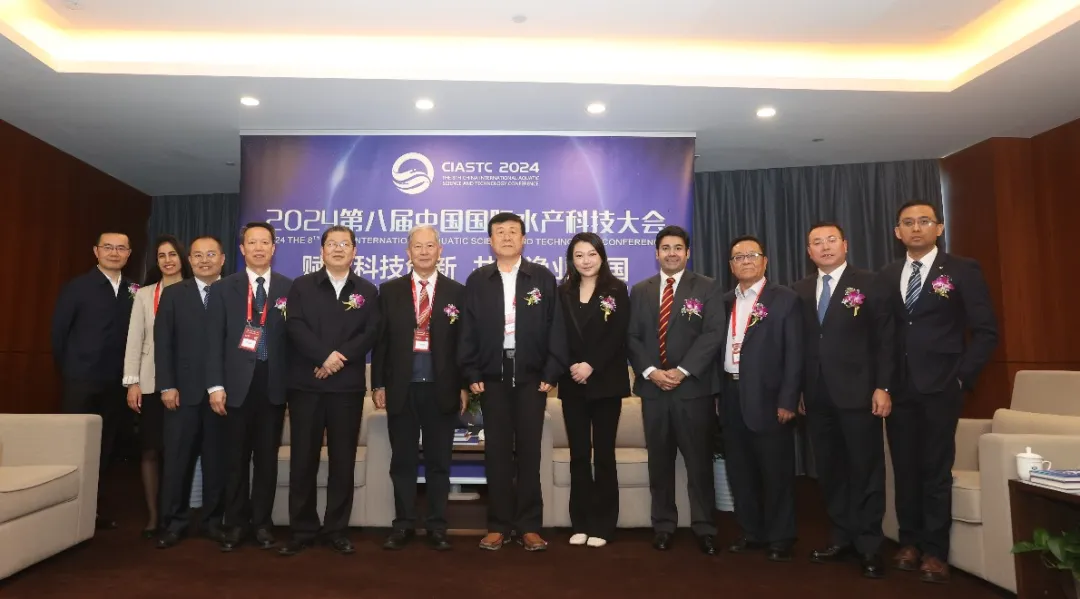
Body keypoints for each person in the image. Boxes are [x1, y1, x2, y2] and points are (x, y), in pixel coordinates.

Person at [880, 201, 998, 583]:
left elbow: (986, 331)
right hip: (899, 389)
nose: (916, 228)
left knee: (935, 469)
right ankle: (909, 542)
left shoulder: (962, 269)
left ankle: (935, 551)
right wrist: (882, 383)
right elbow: (885, 333)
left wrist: (961, 377)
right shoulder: (888, 273)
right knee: (905, 469)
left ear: (939, 228)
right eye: (908, 223)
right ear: (897, 232)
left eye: (924, 221)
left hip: (942, 386)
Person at [458, 212, 568, 551]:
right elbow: (467, 330)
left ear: (523, 239)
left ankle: (529, 526)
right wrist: (471, 372)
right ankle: (498, 525)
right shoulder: (479, 280)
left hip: (532, 378)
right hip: (492, 377)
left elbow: (556, 327)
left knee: (530, 453)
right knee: (497, 454)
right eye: (500, 232)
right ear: (490, 241)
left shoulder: (542, 277)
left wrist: (551, 372)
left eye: (513, 232)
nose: (506, 237)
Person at [791, 223, 893, 578]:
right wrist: (798, 390)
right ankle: (841, 537)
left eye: (831, 240)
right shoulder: (800, 289)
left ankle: (869, 545)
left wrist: (883, 386)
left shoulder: (870, 282)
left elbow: (886, 339)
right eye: (816, 242)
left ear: (845, 245)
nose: (825, 247)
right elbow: (798, 345)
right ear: (809, 252)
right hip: (816, 397)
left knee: (865, 469)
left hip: (860, 394)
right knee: (830, 471)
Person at [279, 226, 380, 556]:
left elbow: (370, 332)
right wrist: (323, 356)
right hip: (306, 386)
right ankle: (302, 529)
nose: (338, 249)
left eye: (344, 244)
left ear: (354, 251)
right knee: (303, 459)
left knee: (342, 461)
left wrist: (338, 359)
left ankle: (337, 529)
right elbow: (294, 325)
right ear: (322, 251)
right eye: (331, 244)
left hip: (346, 388)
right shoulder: (302, 286)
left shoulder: (367, 290)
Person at [627, 225, 721, 554]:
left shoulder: (707, 287)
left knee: (698, 462)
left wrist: (681, 371)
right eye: (665, 248)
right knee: (660, 462)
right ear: (656, 253)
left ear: (687, 252)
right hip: (654, 391)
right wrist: (652, 372)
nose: (671, 253)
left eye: (677, 248)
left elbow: (713, 334)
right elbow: (631, 337)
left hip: (692, 389)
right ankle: (664, 525)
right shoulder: (640, 290)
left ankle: (705, 527)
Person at [372, 225, 467, 551]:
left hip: (442, 388)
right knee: (403, 462)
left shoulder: (457, 292)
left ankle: (437, 526)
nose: (424, 252)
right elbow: (380, 342)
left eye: (430, 246)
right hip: (402, 388)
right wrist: (378, 384)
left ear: (440, 251)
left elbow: (463, 344)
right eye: (418, 246)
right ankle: (404, 524)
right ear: (408, 252)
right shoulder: (390, 291)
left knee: (440, 462)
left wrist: (463, 385)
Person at [206, 222, 293, 552]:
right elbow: (213, 341)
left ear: (274, 248)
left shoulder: (289, 288)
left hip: (273, 384)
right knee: (235, 459)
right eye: (252, 242)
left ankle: (262, 524)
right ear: (242, 249)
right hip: (234, 387)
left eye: (265, 242)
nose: (258, 248)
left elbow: (294, 341)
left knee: (267, 460)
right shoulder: (223, 288)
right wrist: (215, 386)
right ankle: (235, 524)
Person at [720, 235, 802, 562]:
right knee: (740, 470)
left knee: (775, 471)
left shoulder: (784, 299)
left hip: (769, 397)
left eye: (752, 255)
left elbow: (795, 353)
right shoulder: (724, 301)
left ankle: (781, 536)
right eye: (738, 257)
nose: (745, 261)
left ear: (765, 261)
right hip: (730, 393)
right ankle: (751, 531)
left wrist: (788, 399)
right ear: (731, 266)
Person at [51, 231, 137, 530]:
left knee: (105, 447)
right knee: (72, 445)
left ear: (129, 254)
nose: (114, 253)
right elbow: (59, 334)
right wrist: (73, 370)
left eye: (121, 248)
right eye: (108, 247)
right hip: (81, 381)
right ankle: (63, 512)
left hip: (116, 384)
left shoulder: (133, 289)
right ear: (96, 251)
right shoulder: (77, 287)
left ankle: (91, 510)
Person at [154, 236, 229, 548]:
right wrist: (167, 385)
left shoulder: (234, 292)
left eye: (211, 254)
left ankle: (213, 522)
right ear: (190, 260)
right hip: (182, 394)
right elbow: (163, 343)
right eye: (198, 255)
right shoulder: (174, 294)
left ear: (222, 259)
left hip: (222, 395)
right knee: (177, 461)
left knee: (217, 462)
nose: (204, 260)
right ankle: (174, 523)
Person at [557, 233, 630, 548]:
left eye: (591, 254)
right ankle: (581, 522)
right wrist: (573, 366)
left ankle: (603, 525)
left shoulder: (617, 289)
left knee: (603, 454)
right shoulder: (562, 292)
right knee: (578, 455)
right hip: (572, 382)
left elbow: (618, 335)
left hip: (606, 383)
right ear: (571, 260)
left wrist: (591, 365)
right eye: (579, 255)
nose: (585, 261)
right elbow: (556, 334)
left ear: (601, 256)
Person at [123, 234, 191, 538]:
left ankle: (176, 514)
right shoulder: (145, 295)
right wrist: (132, 382)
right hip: (150, 382)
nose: (167, 260)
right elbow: (134, 340)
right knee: (150, 450)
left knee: (179, 453)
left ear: (182, 258)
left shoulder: (196, 291)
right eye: (162, 255)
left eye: (172, 254)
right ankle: (153, 517)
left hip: (187, 384)